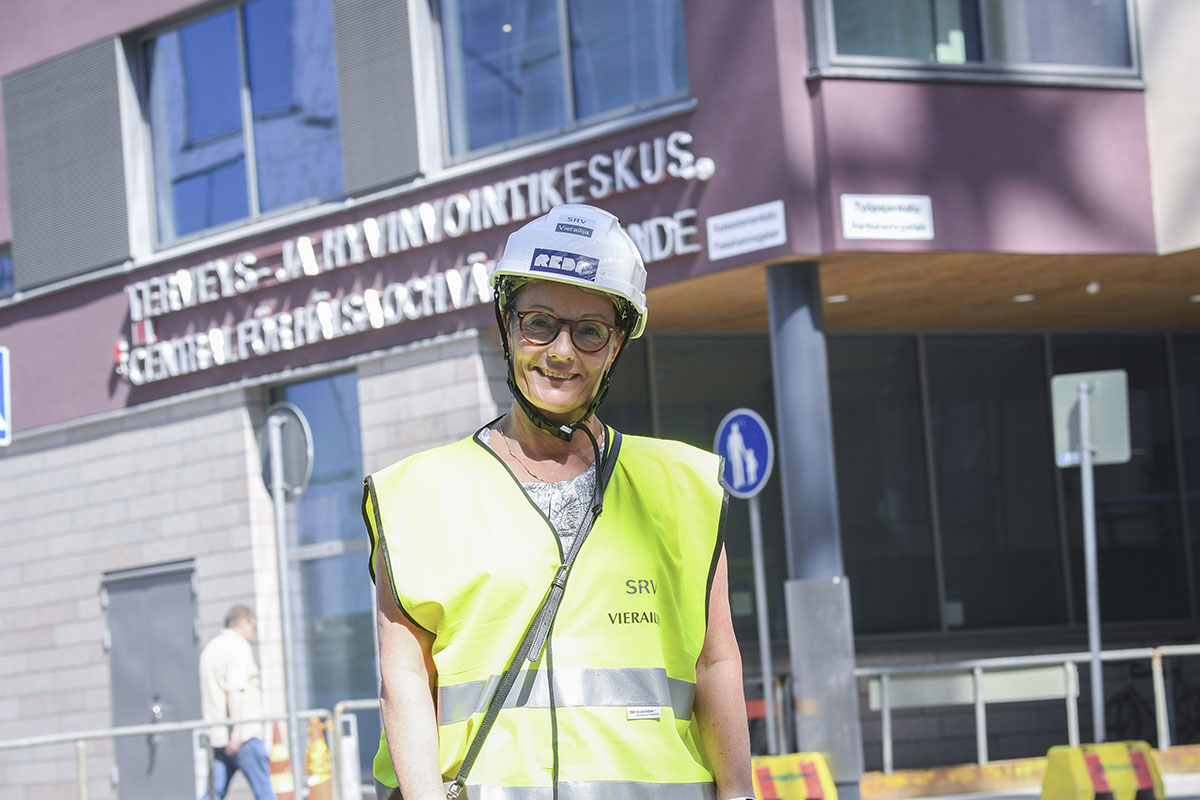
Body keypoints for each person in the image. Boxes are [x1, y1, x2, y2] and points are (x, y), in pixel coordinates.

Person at [364, 203, 755, 800]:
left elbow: (715, 662)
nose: (562, 352)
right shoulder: (417, 494)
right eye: (540, 323)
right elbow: (405, 676)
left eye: (590, 331)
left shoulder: (684, 486)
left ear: (616, 345)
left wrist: (739, 793)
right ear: (507, 326)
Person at [199, 604, 276, 800]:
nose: (253, 634)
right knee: (264, 791)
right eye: (254, 628)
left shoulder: (211, 648)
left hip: (217, 736)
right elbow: (234, 690)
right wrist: (237, 730)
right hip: (243, 736)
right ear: (245, 623)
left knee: (212, 794)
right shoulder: (239, 647)